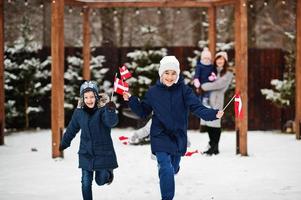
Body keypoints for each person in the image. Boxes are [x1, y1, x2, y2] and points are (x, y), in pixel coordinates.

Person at [123, 55, 224, 200]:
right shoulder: (153, 92)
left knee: (173, 167)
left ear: (177, 74)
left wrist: (213, 114)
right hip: (159, 134)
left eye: (173, 73)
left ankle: (172, 168)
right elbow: (143, 111)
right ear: (161, 74)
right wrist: (132, 100)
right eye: (167, 73)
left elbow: (197, 107)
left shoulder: (184, 91)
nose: (170, 77)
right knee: (165, 166)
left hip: (178, 135)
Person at [59, 80, 119, 200]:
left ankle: (108, 173)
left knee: (100, 181)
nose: (89, 100)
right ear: (82, 98)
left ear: (96, 96)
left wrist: (111, 111)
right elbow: (72, 129)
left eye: (92, 96)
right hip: (86, 152)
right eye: (86, 97)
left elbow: (111, 122)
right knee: (85, 182)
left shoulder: (103, 110)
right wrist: (64, 142)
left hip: (102, 152)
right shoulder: (79, 113)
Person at [200, 51, 234, 155]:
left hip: (217, 99)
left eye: (222, 59)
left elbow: (218, 84)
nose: (219, 61)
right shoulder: (212, 70)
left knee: (215, 123)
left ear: (225, 61)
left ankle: (215, 147)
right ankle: (211, 145)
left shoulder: (228, 73)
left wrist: (203, 86)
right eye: (218, 59)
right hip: (207, 99)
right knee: (209, 123)